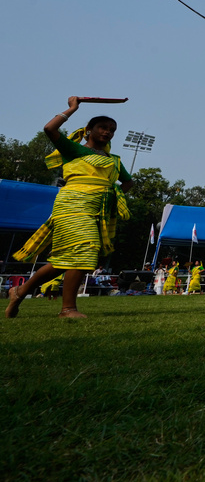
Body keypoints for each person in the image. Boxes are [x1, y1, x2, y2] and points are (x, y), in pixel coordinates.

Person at [7, 97, 133, 318]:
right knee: (86, 250)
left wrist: (111, 194)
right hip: (72, 205)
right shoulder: (74, 149)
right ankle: (67, 309)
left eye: (112, 130)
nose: (107, 132)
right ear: (89, 130)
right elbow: (49, 128)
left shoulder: (114, 160)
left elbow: (128, 183)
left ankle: (20, 291)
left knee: (67, 259)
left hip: (97, 210)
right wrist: (73, 108)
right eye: (102, 127)